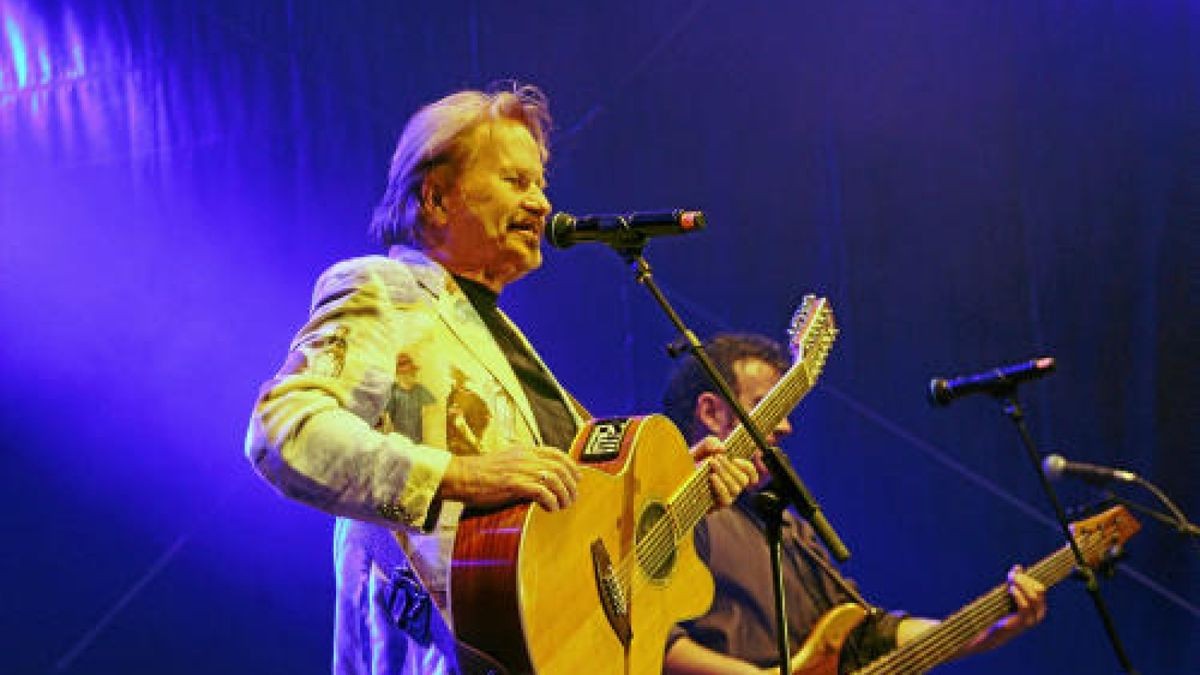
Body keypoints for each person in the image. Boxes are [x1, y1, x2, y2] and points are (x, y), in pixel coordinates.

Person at [244, 83, 757, 674]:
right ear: (435, 198)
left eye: (540, 182)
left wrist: (682, 489)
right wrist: (461, 474)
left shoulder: (512, 347)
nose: (541, 203)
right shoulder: (383, 291)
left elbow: (580, 549)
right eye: (515, 181)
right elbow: (285, 430)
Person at [660, 333, 1047, 674]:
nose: (785, 426)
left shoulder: (792, 532)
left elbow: (865, 636)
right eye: (767, 405)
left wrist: (989, 630)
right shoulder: (671, 514)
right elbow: (653, 639)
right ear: (711, 412)